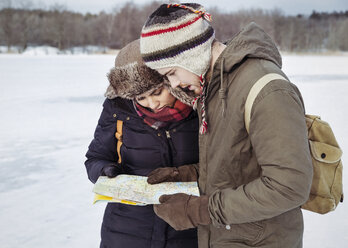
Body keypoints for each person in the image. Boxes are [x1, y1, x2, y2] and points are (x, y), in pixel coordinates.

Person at [140, 3, 313, 247]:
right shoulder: (213, 88)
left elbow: (289, 186)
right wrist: (188, 174)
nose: (175, 84)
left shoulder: (266, 89)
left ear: (191, 53)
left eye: (172, 73)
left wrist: (200, 210)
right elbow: (238, 163)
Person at [84, 39, 200, 248]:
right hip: (125, 231)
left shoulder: (200, 109)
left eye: (157, 93)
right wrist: (106, 171)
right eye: (141, 98)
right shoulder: (117, 109)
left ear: (171, 81)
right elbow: (95, 158)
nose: (152, 104)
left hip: (187, 230)